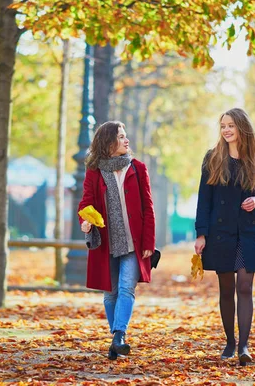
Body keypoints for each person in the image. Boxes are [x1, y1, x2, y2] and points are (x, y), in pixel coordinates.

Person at [193, 108, 255, 366]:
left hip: (248, 233)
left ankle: (244, 345)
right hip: (220, 234)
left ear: (242, 128)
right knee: (226, 290)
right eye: (223, 126)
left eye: (231, 126)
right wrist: (201, 234)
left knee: (245, 288)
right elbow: (204, 199)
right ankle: (230, 342)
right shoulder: (212, 158)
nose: (226, 130)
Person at [78, 121, 156, 360]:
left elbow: (148, 208)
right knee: (110, 294)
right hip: (106, 242)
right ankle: (116, 343)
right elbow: (86, 202)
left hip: (134, 241)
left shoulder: (138, 168)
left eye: (126, 135)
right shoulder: (94, 171)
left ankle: (119, 335)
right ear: (108, 142)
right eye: (121, 137)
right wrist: (86, 220)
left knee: (125, 288)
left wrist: (148, 243)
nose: (126, 140)